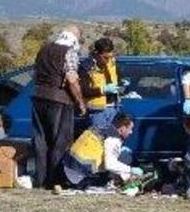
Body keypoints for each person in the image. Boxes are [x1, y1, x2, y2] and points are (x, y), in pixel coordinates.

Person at [31, 25, 86, 188]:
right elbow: (72, 80)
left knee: (40, 141)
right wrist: (80, 102)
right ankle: (55, 181)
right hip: (59, 99)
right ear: (75, 38)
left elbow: (35, 74)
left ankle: (40, 180)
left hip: (38, 97)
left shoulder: (43, 49)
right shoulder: (69, 51)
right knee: (60, 141)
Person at [62, 112, 140, 189]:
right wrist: (130, 170)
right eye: (130, 129)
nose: (131, 132)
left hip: (66, 169)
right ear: (122, 128)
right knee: (124, 156)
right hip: (79, 179)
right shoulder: (113, 139)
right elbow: (110, 165)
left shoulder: (101, 128)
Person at [79, 37, 120, 115]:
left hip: (114, 107)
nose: (108, 60)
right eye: (105, 57)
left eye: (110, 56)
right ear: (97, 53)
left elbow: (114, 78)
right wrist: (103, 90)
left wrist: (121, 83)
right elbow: (84, 91)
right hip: (97, 110)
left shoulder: (111, 62)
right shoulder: (87, 66)